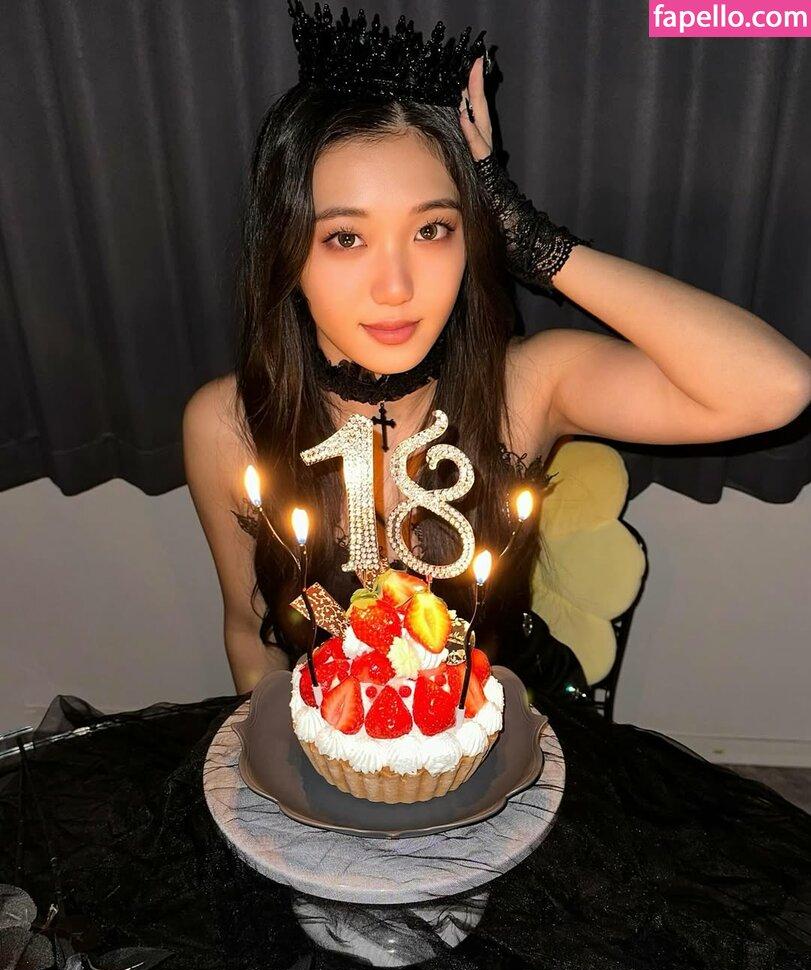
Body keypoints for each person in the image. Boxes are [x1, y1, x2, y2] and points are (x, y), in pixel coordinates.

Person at [182, 13, 810, 703]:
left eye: (432, 229)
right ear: (286, 248)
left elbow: (775, 388)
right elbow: (249, 629)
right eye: (345, 239)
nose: (396, 287)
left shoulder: (526, 386)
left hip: (508, 727)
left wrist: (525, 235)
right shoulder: (226, 422)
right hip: (324, 732)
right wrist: (279, 746)